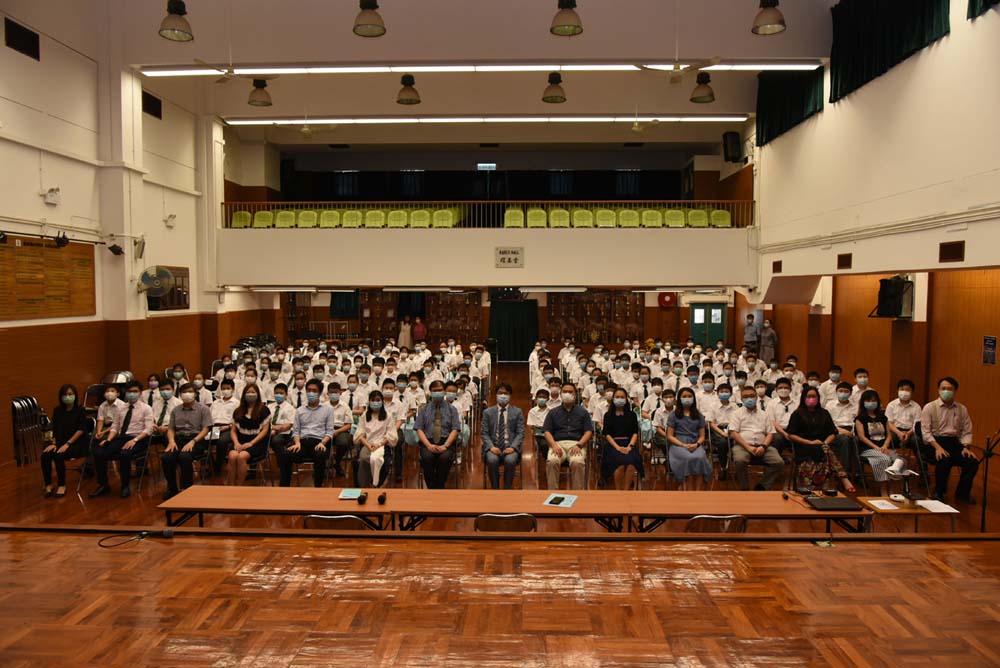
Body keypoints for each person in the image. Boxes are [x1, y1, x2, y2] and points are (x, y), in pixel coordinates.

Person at [89, 381, 154, 498]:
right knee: (99, 452)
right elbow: (115, 427)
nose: (132, 394)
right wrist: (108, 440)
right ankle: (103, 485)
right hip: (122, 438)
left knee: (125, 454)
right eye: (129, 392)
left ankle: (125, 486)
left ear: (140, 393)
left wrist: (135, 440)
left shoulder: (146, 408)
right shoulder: (121, 408)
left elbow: (149, 429)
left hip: (138, 439)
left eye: (135, 391)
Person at [921, 377, 979, 503]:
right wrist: (938, 448)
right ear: (938, 390)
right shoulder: (929, 407)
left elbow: (966, 430)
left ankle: (962, 493)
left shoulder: (962, 409)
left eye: (949, 389)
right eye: (943, 388)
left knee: (972, 462)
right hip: (934, 443)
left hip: (955, 443)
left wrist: (965, 447)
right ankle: (939, 492)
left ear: (955, 391)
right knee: (944, 459)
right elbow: (925, 432)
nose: (946, 391)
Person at [786, 386, 853, 492]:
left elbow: (832, 433)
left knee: (824, 449)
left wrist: (824, 443)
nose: (811, 398)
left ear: (818, 398)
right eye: (809, 396)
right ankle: (843, 477)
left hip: (822, 445)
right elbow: (791, 435)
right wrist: (810, 442)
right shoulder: (797, 414)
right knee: (823, 451)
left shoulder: (824, 413)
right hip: (803, 446)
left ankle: (823, 484)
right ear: (803, 398)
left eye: (814, 396)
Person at [160, 383, 212, 500]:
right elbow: (171, 428)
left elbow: (206, 429)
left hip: (196, 439)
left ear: (195, 394)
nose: (187, 394)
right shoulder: (176, 410)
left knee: (184, 457)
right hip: (178, 439)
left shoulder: (203, 409)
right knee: (166, 457)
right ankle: (172, 488)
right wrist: (171, 441)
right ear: (180, 395)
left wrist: (193, 441)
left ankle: (187, 488)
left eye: (190, 392)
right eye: (184, 392)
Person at [278, 379, 333, 487]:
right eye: (309, 390)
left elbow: (330, 431)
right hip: (302, 442)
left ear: (320, 393)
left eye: (314, 391)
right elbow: (296, 431)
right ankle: (284, 488)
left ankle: (318, 487)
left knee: (320, 455)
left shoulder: (328, 410)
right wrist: (297, 443)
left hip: (319, 442)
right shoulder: (300, 410)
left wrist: (323, 443)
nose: (311, 393)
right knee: (285, 455)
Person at [729, 386, 783, 491]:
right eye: (746, 397)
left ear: (757, 397)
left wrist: (763, 446)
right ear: (741, 399)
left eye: (752, 396)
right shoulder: (736, 414)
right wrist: (748, 447)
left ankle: (762, 486)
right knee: (740, 460)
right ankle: (745, 488)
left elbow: (770, 433)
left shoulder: (764, 414)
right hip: (742, 446)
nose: (749, 399)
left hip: (763, 446)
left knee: (778, 462)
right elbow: (733, 433)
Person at [542, 382, 594, 490]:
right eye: (565, 391)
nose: (567, 394)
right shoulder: (552, 412)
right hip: (557, 444)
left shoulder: (583, 412)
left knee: (577, 462)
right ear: (561, 394)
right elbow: (547, 431)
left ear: (575, 394)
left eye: (570, 392)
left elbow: (588, 431)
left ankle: (578, 493)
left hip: (577, 444)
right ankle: (552, 492)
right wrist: (553, 445)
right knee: (552, 461)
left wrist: (579, 445)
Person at [41, 384, 88, 497]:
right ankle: (48, 484)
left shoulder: (80, 410)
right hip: (60, 442)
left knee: (58, 456)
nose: (68, 397)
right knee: (45, 455)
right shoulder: (57, 410)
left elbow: (81, 430)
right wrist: (54, 443)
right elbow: (55, 428)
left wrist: (67, 444)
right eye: (65, 395)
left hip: (77, 443)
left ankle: (61, 485)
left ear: (75, 395)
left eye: (70, 394)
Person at [415, 380, 461, 488]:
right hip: (428, 442)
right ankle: (432, 488)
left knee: (444, 458)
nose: (437, 393)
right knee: (427, 458)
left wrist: (445, 445)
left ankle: (440, 487)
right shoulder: (423, 409)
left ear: (444, 391)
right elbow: (419, 429)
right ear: (430, 392)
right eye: (434, 391)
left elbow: (455, 429)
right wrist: (428, 445)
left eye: (440, 390)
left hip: (446, 442)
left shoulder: (452, 409)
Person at [226, 384, 271, 486]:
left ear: (257, 394)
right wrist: (236, 443)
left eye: (253, 392)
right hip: (240, 441)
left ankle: (239, 486)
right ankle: (230, 486)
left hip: (257, 443)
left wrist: (251, 443)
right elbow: (233, 430)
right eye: (248, 392)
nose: (250, 394)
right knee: (232, 455)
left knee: (242, 456)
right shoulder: (238, 411)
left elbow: (265, 431)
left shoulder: (264, 410)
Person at [480, 384, 524, 490]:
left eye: (506, 393)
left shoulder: (517, 412)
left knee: (510, 460)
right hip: (493, 446)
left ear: (510, 395)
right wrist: (491, 447)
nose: (503, 396)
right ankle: (495, 489)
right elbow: (484, 433)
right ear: (496, 395)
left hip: (510, 447)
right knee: (492, 460)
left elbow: (520, 433)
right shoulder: (487, 412)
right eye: (500, 393)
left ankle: (507, 489)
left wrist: (513, 447)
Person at [855, 389, 897, 497]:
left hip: (884, 448)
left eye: (873, 400)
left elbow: (889, 435)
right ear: (863, 402)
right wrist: (876, 448)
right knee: (884, 459)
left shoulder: (883, 417)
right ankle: (883, 489)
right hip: (867, 449)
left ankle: (891, 488)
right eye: (868, 400)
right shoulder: (860, 419)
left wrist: (885, 446)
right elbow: (862, 437)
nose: (871, 403)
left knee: (898, 460)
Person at [601, 388, 643, 490]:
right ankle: (618, 491)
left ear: (626, 399)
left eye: (622, 397)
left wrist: (630, 446)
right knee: (619, 463)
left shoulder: (632, 415)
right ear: (613, 399)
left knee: (631, 463)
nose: (619, 399)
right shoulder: (608, 415)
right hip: (613, 445)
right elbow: (607, 434)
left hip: (629, 443)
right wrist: (618, 448)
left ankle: (626, 491)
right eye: (617, 397)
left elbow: (635, 433)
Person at [354, 390, 397, 487]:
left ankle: (378, 483)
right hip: (368, 443)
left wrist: (379, 444)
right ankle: (364, 485)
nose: (375, 403)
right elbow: (360, 434)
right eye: (373, 400)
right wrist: (368, 445)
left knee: (377, 459)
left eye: (378, 400)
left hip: (383, 444)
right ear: (369, 402)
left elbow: (391, 435)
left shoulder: (388, 416)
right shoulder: (364, 416)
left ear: (382, 402)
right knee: (364, 458)